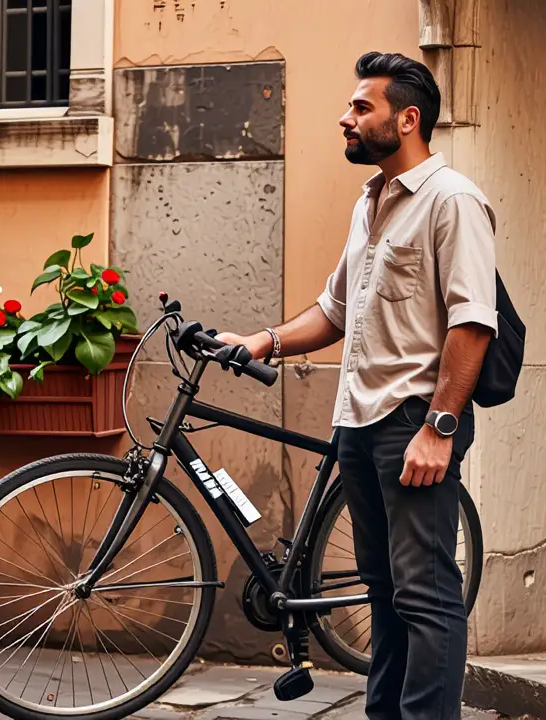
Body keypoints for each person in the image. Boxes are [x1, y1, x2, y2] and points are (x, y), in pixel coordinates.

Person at [216, 51, 497, 720]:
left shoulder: (451, 200)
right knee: (382, 591)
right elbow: (335, 311)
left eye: (361, 107)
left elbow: (473, 324)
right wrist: (265, 341)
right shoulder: (370, 202)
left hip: (413, 424)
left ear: (407, 119)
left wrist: (439, 428)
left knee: (426, 596)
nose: (345, 118)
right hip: (359, 422)